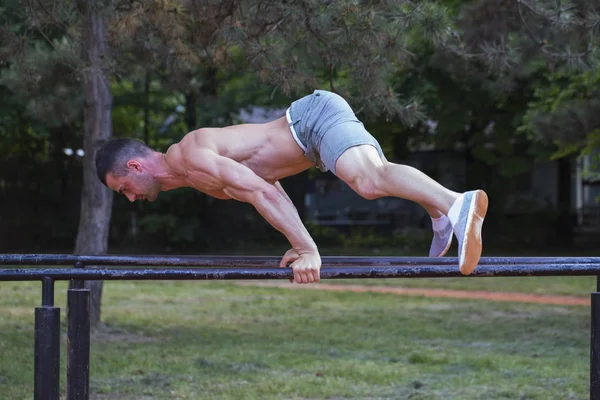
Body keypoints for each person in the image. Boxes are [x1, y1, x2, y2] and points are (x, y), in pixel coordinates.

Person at [95, 89, 488, 284]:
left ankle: (457, 203)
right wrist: (299, 242)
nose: (131, 197)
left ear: (135, 165)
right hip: (313, 137)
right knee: (374, 174)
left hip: (312, 122)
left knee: (369, 180)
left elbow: (261, 193)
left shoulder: (190, 156)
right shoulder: (192, 175)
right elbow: (270, 188)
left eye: (124, 187)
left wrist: (308, 249)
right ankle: (437, 213)